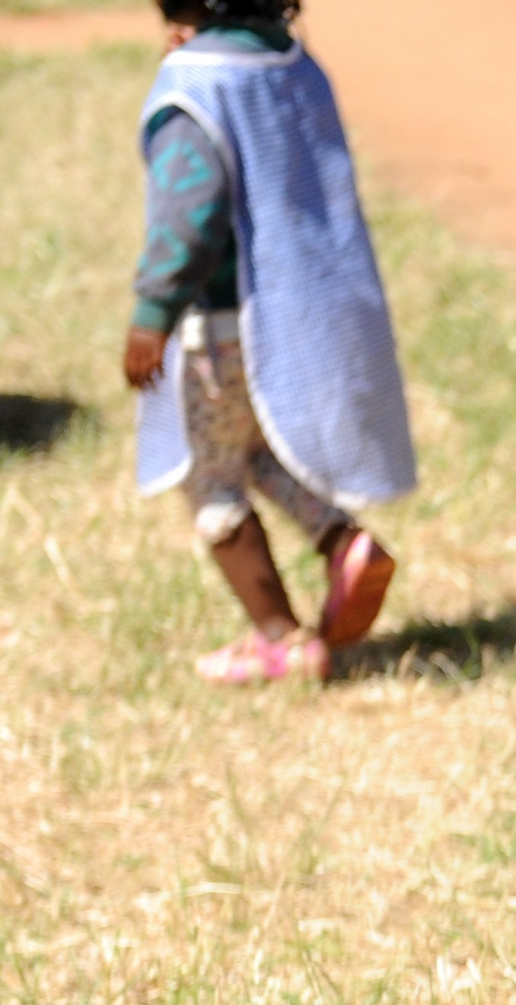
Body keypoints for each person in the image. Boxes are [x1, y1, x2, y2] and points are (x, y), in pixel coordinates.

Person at [123, 0, 416, 686]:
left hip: (219, 333)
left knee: (211, 477)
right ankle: (344, 541)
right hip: (300, 318)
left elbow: (188, 214)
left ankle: (280, 639)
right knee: (256, 451)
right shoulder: (291, 62)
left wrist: (150, 317)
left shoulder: (194, 86)